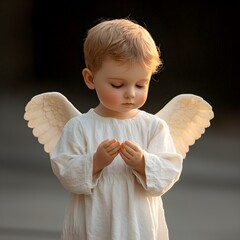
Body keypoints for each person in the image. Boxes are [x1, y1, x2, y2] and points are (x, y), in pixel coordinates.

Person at [50, 18, 183, 240]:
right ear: (90, 78)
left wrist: (143, 163)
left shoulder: (154, 127)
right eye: (118, 85)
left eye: (141, 84)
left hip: (138, 225)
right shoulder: (80, 127)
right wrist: (94, 163)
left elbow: (169, 171)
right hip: (94, 220)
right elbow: (64, 169)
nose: (131, 93)